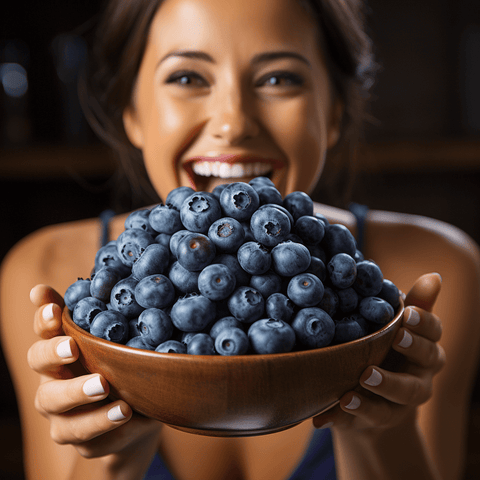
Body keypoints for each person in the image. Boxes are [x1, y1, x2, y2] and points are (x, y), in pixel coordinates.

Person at [1, 0, 479, 479]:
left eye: (278, 78)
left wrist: (378, 427)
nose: (233, 122)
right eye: (188, 78)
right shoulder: (43, 270)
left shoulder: (433, 269)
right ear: (131, 111)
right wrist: (116, 451)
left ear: (334, 110)